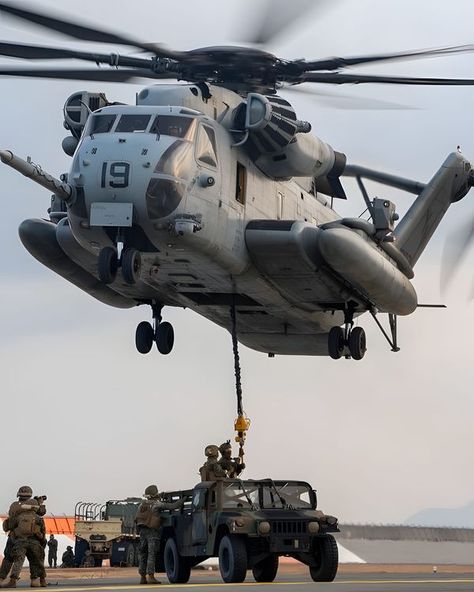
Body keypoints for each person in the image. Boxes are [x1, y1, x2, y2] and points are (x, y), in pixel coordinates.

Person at [135, 485, 183, 585]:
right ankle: (151, 576)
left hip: (142, 532)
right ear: (155, 494)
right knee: (151, 554)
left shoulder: (141, 505)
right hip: (152, 532)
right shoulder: (157, 504)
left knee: (143, 554)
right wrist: (182, 500)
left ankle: (142, 577)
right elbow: (172, 506)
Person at [5, 486, 48, 588]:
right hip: (34, 541)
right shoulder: (37, 516)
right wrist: (39, 503)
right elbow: (43, 528)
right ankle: (39, 580)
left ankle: (13, 580)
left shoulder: (16, 510)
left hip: (20, 540)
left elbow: (9, 525)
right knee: (37, 561)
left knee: (18, 560)